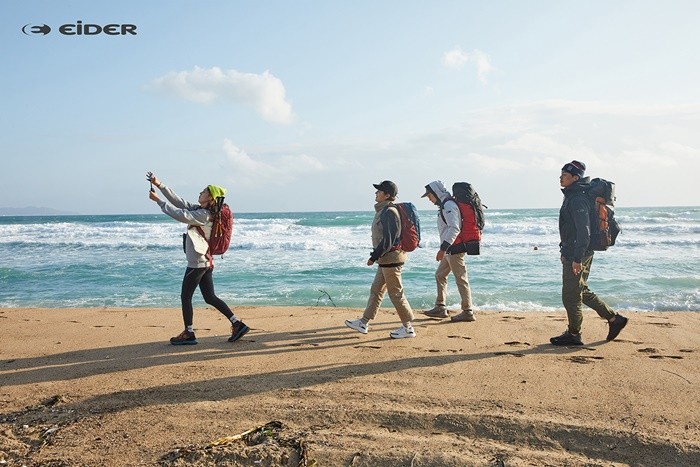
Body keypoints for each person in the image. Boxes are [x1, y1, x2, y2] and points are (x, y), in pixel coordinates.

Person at [147, 172, 249, 345]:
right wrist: (159, 185)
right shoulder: (202, 211)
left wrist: (158, 201)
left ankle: (189, 333)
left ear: (210, 198)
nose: (200, 193)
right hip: (205, 262)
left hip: (197, 264)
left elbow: (180, 214)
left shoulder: (204, 215)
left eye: (203, 192)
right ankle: (237, 324)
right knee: (210, 297)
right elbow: (180, 203)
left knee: (185, 296)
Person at [550, 161, 628, 346]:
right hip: (574, 251)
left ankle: (574, 334)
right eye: (561, 174)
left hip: (578, 253)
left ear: (575, 178)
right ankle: (614, 319)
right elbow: (569, 229)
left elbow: (583, 231)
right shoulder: (573, 195)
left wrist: (577, 258)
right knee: (580, 290)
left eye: (565, 175)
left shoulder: (577, 199)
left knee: (571, 296)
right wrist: (564, 249)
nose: (560, 177)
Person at [345, 181, 417, 339]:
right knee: (376, 290)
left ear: (387, 195)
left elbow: (388, 240)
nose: (376, 194)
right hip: (386, 260)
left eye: (379, 191)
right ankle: (363, 322)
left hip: (391, 259)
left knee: (396, 294)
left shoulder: (389, 212)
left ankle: (408, 328)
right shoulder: (383, 210)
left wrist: (373, 257)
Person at [421, 181, 475, 322]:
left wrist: (443, 249)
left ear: (436, 193)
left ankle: (468, 311)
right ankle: (440, 307)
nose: (429, 199)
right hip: (450, 249)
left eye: (429, 195)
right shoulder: (445, 205)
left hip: (454, 249)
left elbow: (454, 228)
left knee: (461, 279)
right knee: (440, 275)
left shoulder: (449, 205)